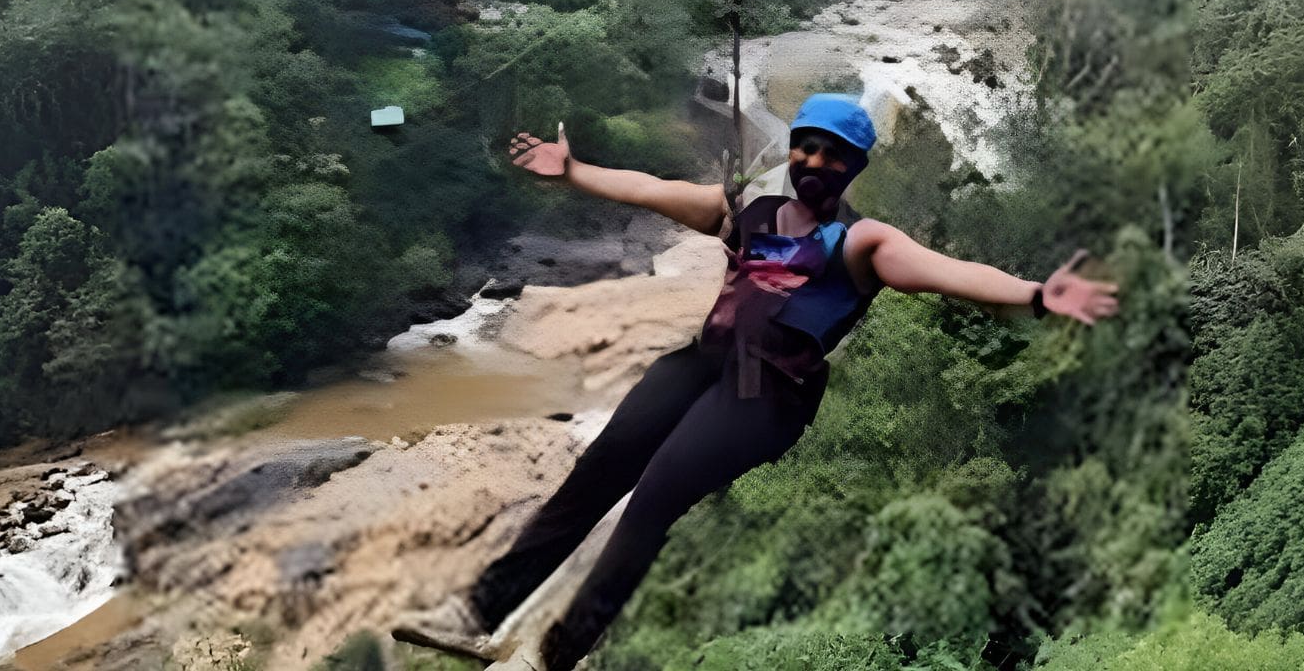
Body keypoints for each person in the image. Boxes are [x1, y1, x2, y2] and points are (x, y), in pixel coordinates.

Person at [395, 94, 1120, 669]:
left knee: (652, 501)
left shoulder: (861, 243)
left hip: (766, 396)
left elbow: (946, 273)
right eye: (805, 146)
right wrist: (576, 171)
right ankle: (477, 615)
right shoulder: (746, 209)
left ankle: (552, 657)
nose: (812, 161)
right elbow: (651, 189)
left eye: (832, 155)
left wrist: (1033, 293)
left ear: (854, 168)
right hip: (700, 364)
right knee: (594, 475)